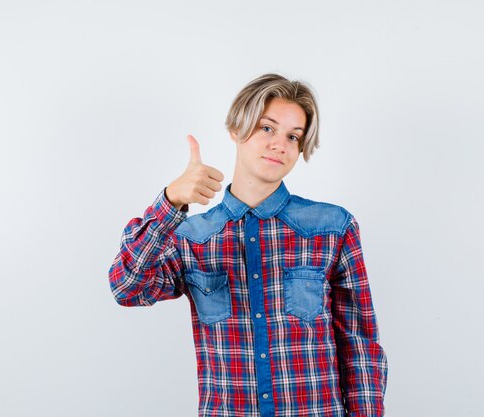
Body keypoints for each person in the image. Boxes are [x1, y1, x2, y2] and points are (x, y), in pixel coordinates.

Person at [108, 73, 388, 417]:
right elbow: (127, 288)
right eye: (267, 128)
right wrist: (171, 202)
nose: (280, 144)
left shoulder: (332, 227)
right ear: (236, 129)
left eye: (293, 136)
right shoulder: (190, 237)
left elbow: (359, 344)